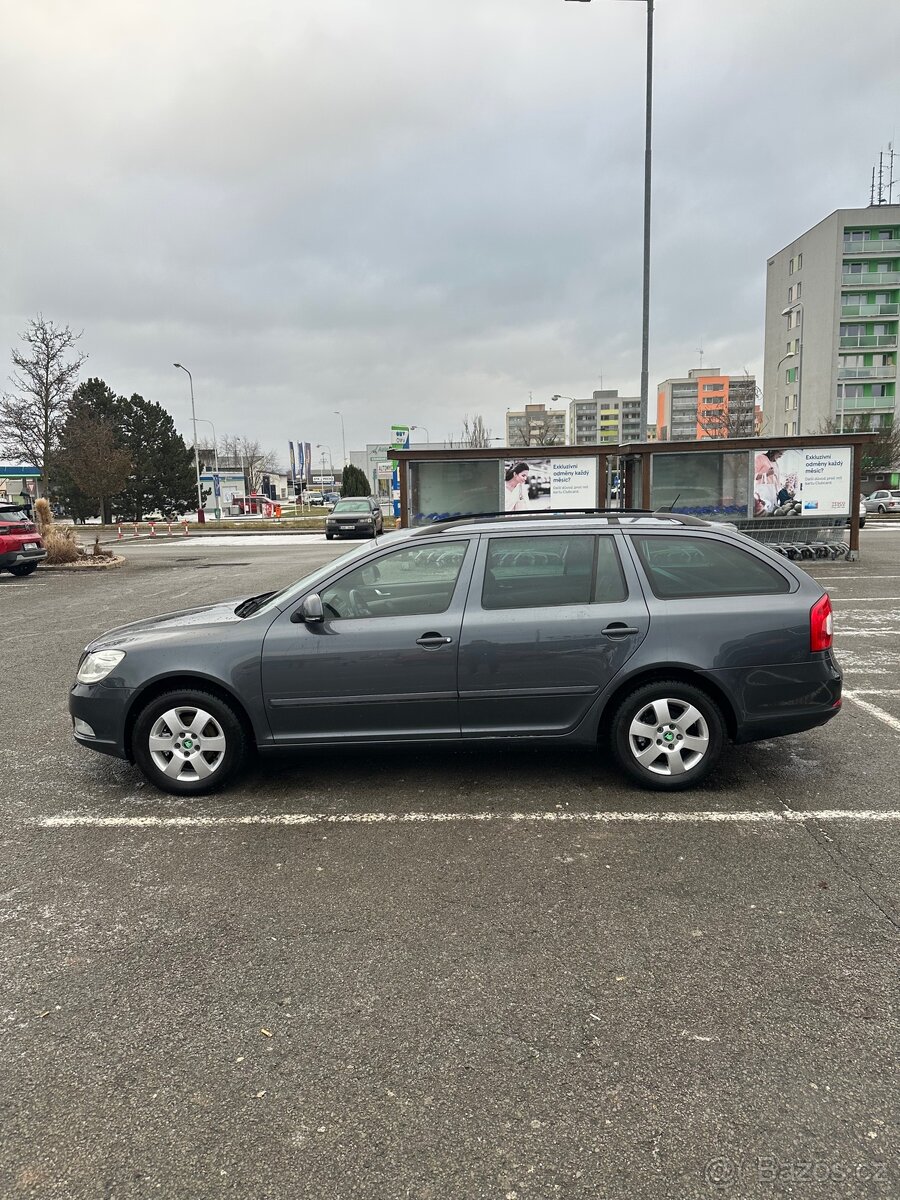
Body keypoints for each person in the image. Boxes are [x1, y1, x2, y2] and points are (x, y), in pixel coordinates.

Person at [753, 449, 785, 517]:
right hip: (763, 491)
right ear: (773, 451)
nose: (780, 456)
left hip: (773, 492)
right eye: (780, 453)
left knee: (771, 512)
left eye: (782, 454)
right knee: (763, 512)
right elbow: (752, 475)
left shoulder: (775, 463)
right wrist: (767, 474)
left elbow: (776, 479)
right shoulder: (760, 458)